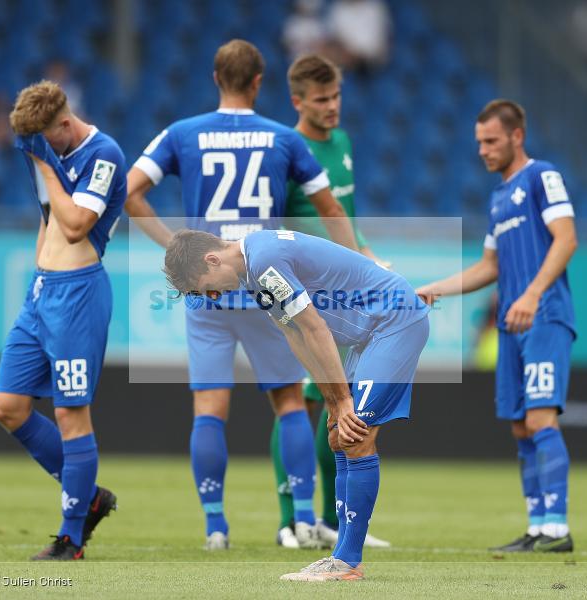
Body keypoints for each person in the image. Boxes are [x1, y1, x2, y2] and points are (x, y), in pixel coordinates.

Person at [125, 39, 359, 551]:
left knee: (209, 408)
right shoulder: (282, 139)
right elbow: (331, 209)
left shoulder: (182, 133)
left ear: (215, 79)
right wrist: (355, 270)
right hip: (262, 285)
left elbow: (131, 191)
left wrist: (177, 248)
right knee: (291, 402)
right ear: (259, 83)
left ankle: (215, 526)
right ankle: (301, 521)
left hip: (207, 290)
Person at [163, 229, 429, 581]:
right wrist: (334, 402)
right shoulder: (254, 271)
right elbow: (295, 335)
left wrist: (344, 399)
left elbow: (316, 329)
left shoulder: (264, 262)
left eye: (207, 288)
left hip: (394, 322)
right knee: (338, 436)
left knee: (356, 437)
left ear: (212, 260)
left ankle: (347, 562)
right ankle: (341, 558)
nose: (214, 297)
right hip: (371, 334)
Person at [417, 99, 578, 553]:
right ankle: (538, 526)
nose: (483, 150)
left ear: (516, 137)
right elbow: (489, 265)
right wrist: (440, 288)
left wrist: (531, 294)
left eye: (491, 141)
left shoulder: (541, 177)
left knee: (540, 418)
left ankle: (557, 529)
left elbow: (566, 239)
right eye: (479, 143)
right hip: (511, 324)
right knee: (520, 427)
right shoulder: (498, 198)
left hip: (544, 316)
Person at [0, 80, 127, 560]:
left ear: (65, 125)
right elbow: (47, 222)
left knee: (71, 412)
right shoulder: (45, 148)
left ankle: (71, 537)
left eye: (44, 138)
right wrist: (37, 273)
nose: (35, 149)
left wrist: (45, 163)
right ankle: (88, 496)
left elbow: (74, 226)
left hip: (79, 297)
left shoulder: (103, 155)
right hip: (42, 292)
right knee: (7, 406)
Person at [271, 53, 389, 550]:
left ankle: (329, 518)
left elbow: (345, 215)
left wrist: (365, 257)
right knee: (297, 401)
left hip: (343, 290)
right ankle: (289, 520)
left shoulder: (341, 143)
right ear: (298, 101)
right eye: (322, 100)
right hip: (301, 294)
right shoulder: (287, 148)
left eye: (336, 96)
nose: (333, 107)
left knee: (333, 401)